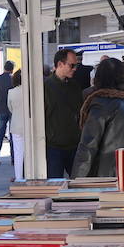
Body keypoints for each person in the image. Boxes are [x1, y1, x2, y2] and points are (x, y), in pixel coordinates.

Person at [72, 57, 124, 178]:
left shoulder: (101, 105)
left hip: (107, 179)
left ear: (99, 78)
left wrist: (76, 181)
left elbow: (87, 148)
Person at [44, 48, 84, 178]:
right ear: (60, 64)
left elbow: (80, 112)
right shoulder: (46, 87)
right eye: (72, 65)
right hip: (53, 146)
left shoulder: (75, 86)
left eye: (76, 65)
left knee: (79, 184)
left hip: (74, 145)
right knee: (55, 187)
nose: (75, 68)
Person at [0, 60, 15, 166]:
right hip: (12, 108)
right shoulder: (14, 78)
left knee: (0, 134)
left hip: (1, 109)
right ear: (12, 69)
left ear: (4, 67)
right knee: (13, 134)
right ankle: (14, 158)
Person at [7, 69, 27, 181]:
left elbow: (10, 108)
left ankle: (19, 177)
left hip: (16, 125)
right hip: (30, 125)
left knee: (18, 153)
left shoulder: (11, 92)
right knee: (30, 153)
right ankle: (30, 175)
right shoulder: (30, 91)